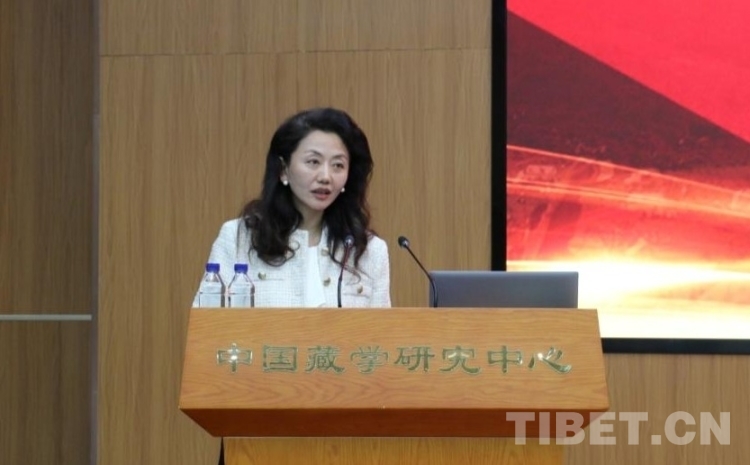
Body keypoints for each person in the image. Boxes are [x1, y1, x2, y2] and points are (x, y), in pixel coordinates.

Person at [194, 107, 391, 308]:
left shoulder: (369, 251)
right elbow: (207, 322)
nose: (326, 177)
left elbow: (382, 327)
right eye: (313, 162)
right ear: (283, 169)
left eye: (338, 165)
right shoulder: (239, 238)